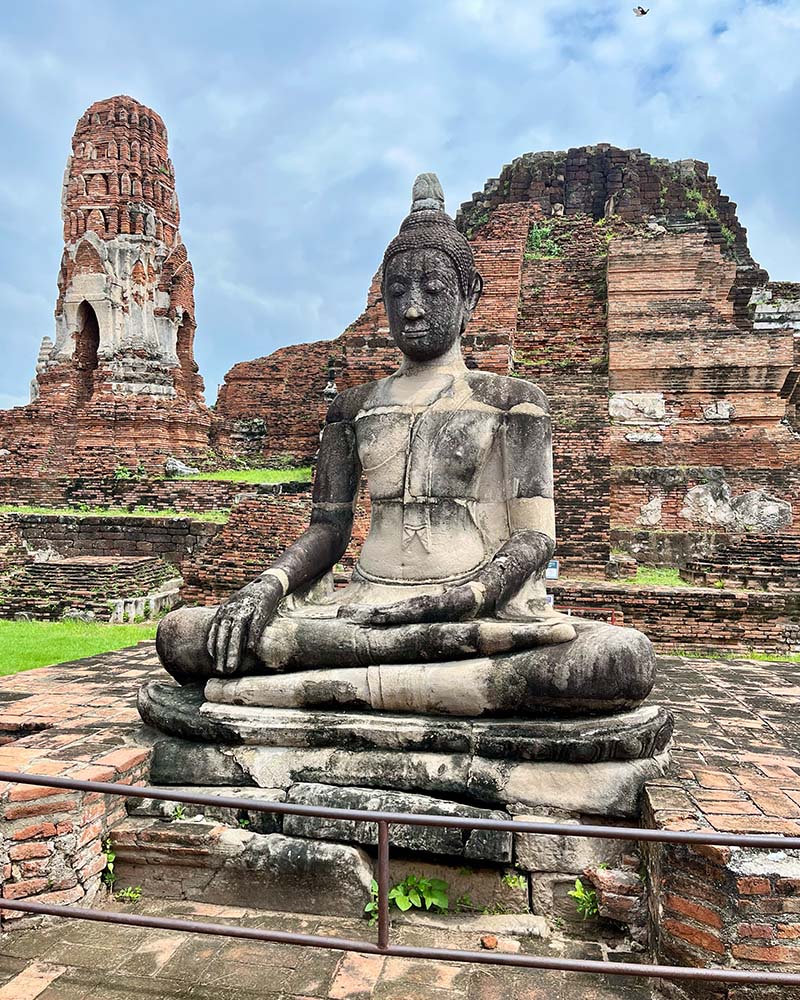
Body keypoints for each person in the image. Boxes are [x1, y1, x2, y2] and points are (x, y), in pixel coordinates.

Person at [154, 174, 654, 717]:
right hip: (363, 610)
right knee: (183, 636)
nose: (412, 310)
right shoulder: (352, 407)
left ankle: (302, 692)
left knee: (617, 660)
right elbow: (328, 529)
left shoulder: (513, 402)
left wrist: (467, 598)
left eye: (433, 291)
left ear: (470, 296)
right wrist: (269, 585)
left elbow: (535, 537)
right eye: (397, 293)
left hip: (469, 610)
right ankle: (419, 689)